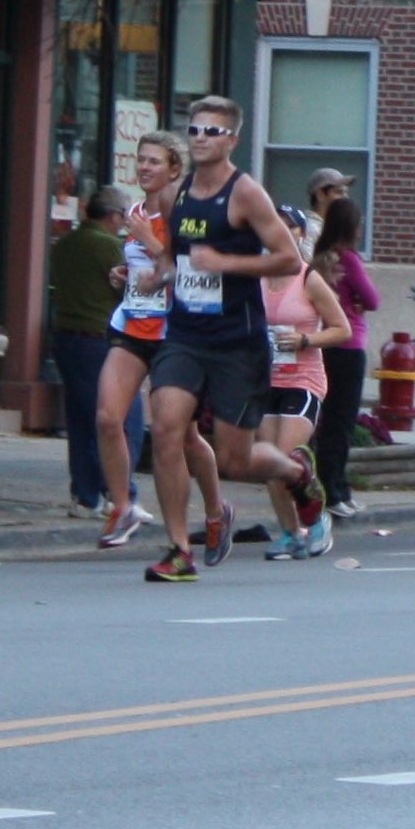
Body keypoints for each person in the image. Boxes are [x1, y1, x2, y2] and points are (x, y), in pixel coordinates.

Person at [140, 99, 327, 583]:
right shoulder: (175, 194)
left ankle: (297, 476)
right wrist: (156, 275)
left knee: (234, 460)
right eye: (195, 129)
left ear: (232, 140)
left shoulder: (246, 194)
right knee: (165, 426)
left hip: (236, 341)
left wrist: (228, 265)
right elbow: (178, 260)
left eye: (213, 131)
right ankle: (180, 549)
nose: (201, 137)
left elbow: (288, 259)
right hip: (185, 333)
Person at [95, 137, 221, 552]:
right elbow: (143, 267)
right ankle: (122, 505)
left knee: (182, 437)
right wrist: (123, 273)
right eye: (140, 159)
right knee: (107, 417)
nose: (144, 167)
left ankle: (216, 510)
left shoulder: (186, 215)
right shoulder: (135, 213)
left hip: (175, 335)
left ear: (173, 170)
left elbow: (193, 271)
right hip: (133, 326)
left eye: (154, 161)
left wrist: (149, 241)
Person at [256, 211, 344, 561]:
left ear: (299, 234)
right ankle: (292, 533)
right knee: (268, 465)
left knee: (282, 458)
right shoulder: (257, 278)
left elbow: (342, 329)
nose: (277, 233)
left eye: (287, 227)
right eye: (270, 225)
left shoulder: (308, 279)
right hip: (266, 379)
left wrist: (305, 340)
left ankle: (316, 516)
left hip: (303, 380)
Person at [47, 184, 128, 514]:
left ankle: (84, 494)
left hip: (66, 337)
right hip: (99, 339)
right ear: (112, 216)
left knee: (79, 421)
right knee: (120, 420)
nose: (124, 222)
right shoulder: (110, 247)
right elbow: (128, 291)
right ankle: (118, 491)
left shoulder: (64, 245)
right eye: (123, 216)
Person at [312, 192, 382, 517]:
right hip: (349, 345)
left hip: (324, 343)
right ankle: (334, 490)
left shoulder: (319, 256)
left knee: (327, 421)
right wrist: (355, 299)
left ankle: (336, 486)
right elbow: (372, 300)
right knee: (341, 422)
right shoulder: (348, 259)